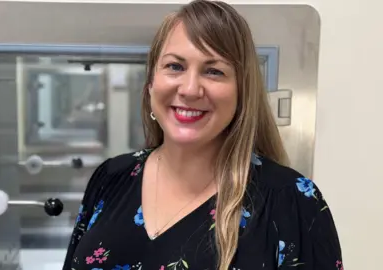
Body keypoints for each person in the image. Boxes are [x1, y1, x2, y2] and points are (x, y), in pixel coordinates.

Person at [62, 0, 343, 269]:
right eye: (175, 66)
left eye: (213, 71)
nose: (190, 89)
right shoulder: (111, 179)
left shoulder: (291, 203)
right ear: (151, 84)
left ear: (242, 93)